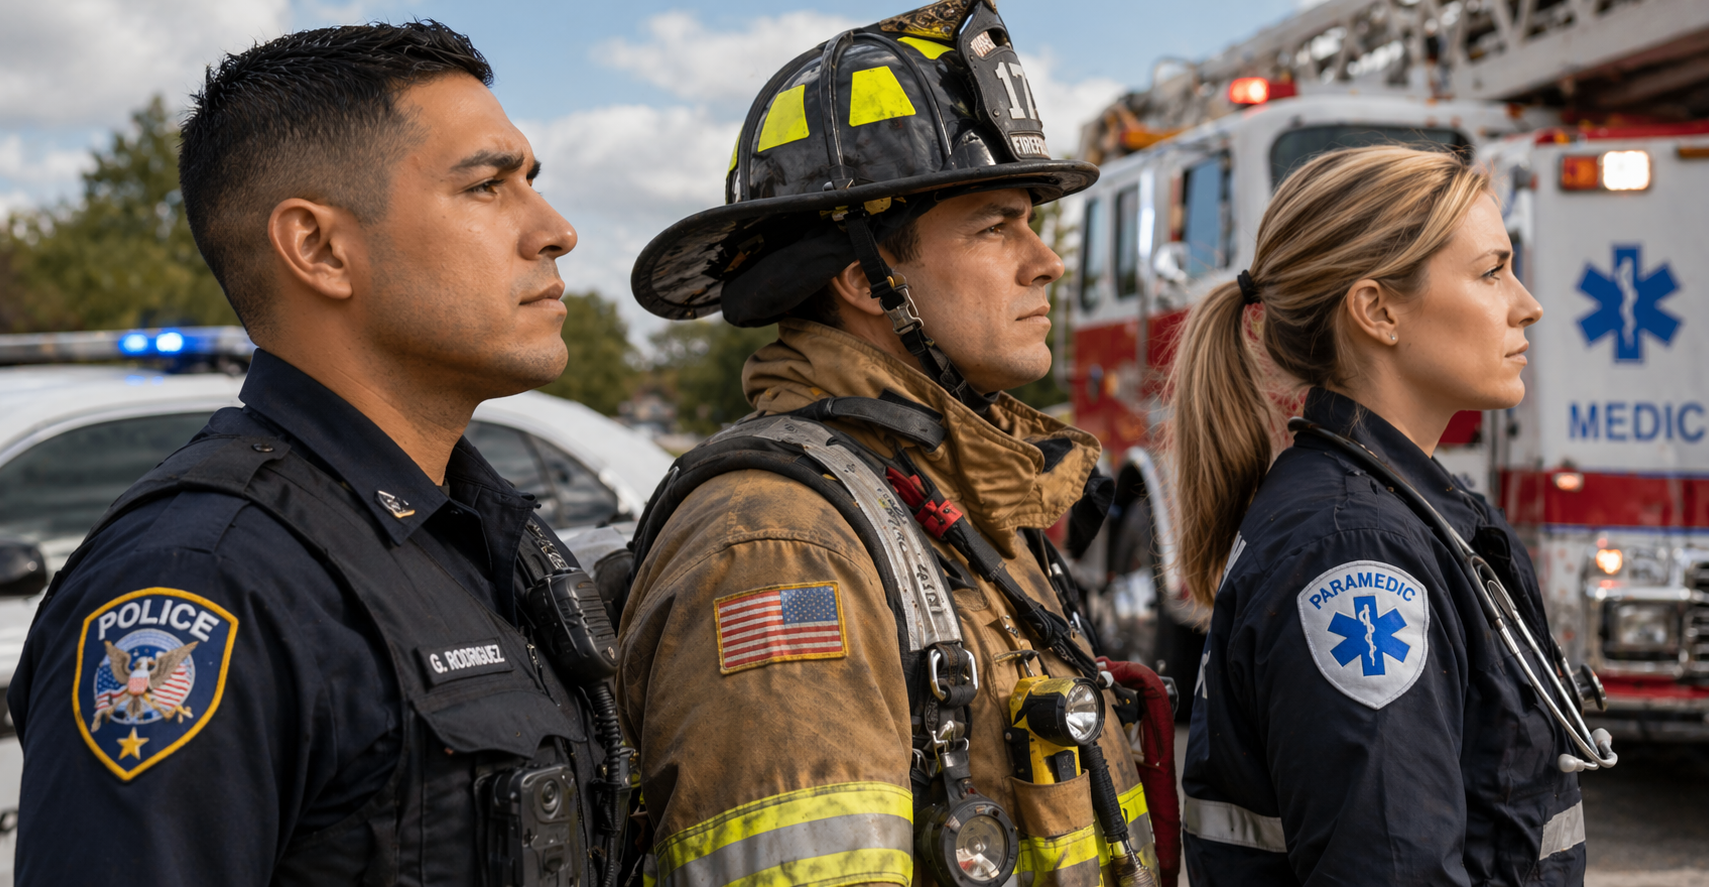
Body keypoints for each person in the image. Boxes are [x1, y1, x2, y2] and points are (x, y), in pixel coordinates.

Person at [8, 21, 626, 886]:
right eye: (488, 185)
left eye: (532, 182)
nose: (554, 230)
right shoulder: (208, 579)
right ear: (319, 248)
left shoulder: (481, 536)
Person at [614, 2, 1181, 885]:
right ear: (866, 280)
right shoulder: (779, 548)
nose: (1048, 261)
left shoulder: (963, 502)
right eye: (997, 226)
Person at [1171, 145, 1586, 885]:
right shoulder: (1354, 550)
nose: (1527, 303)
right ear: (1378, 310)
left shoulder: (1410, 513)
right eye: (1492, 271)